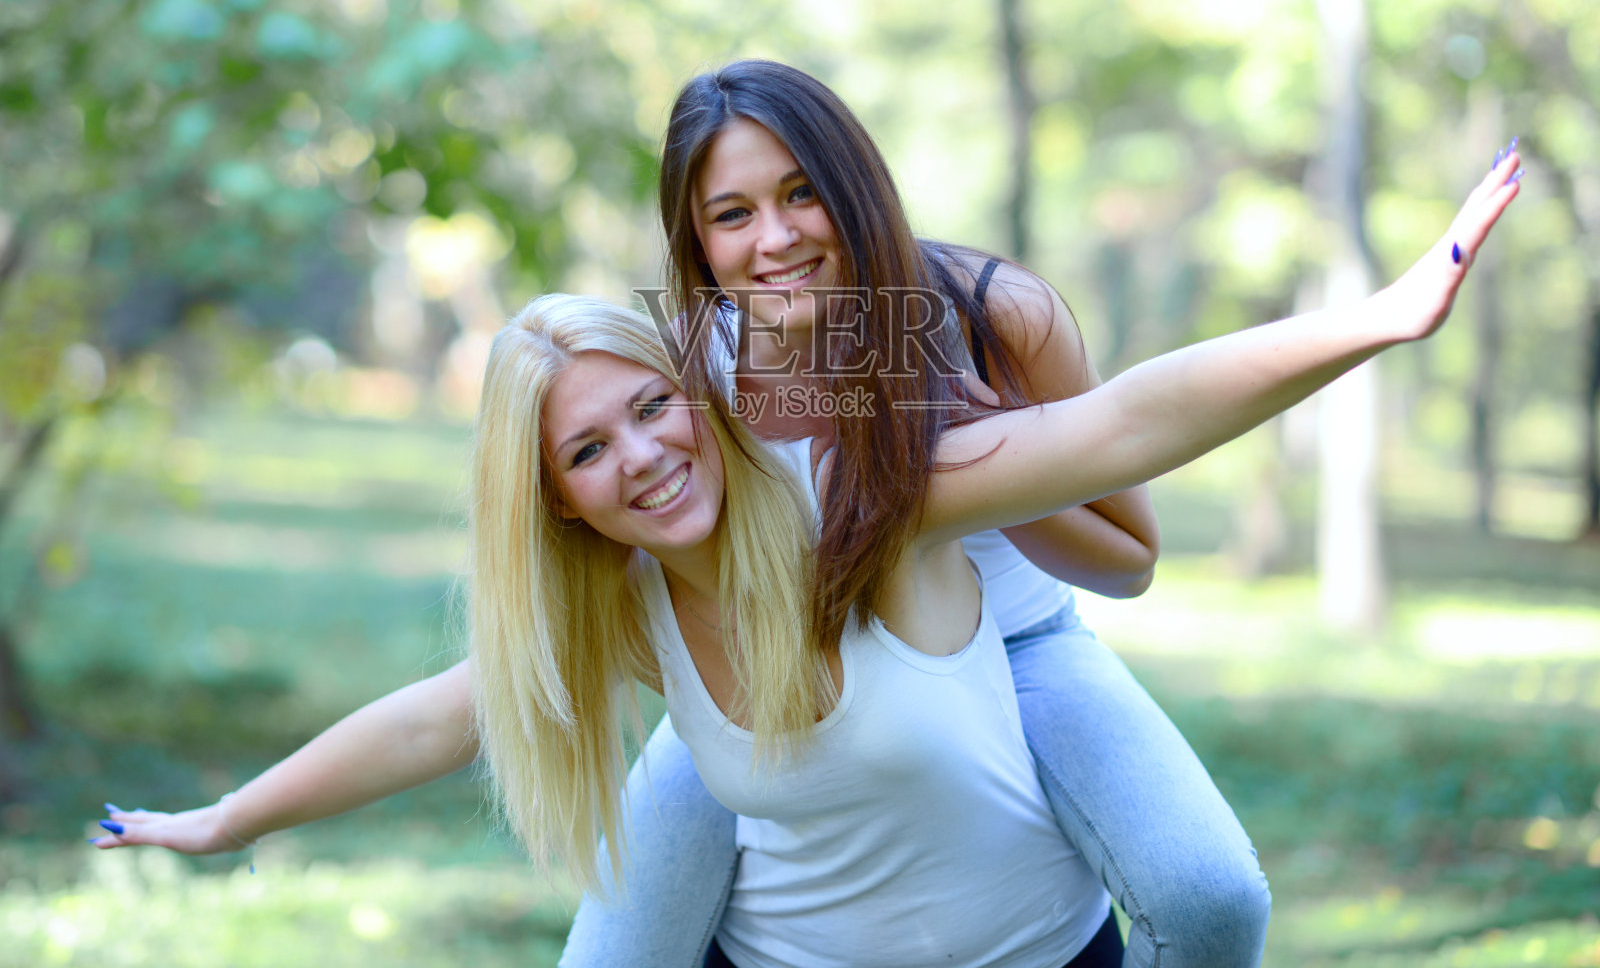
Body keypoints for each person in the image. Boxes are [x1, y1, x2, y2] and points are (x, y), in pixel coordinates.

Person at [90, 144, 1519, 968]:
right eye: (587, 453)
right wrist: (230, 819)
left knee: (1212, 890)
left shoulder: (907, 434)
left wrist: (1379, 319)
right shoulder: (672, 417)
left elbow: (1130, 423)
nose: (641, 452)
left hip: (986, 637)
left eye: (650, 416)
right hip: (749, 687)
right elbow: (443, 710)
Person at [570, 59, 1209, 968]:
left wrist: (977, 445)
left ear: (854, 183)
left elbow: (1130, 561)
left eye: (802, 192)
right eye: (733, 214)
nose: (776, 237)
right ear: (697, 240)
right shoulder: (687, 372)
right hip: (782, 675)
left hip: (1021, 651)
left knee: (1213, 897)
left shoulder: (996, 314)